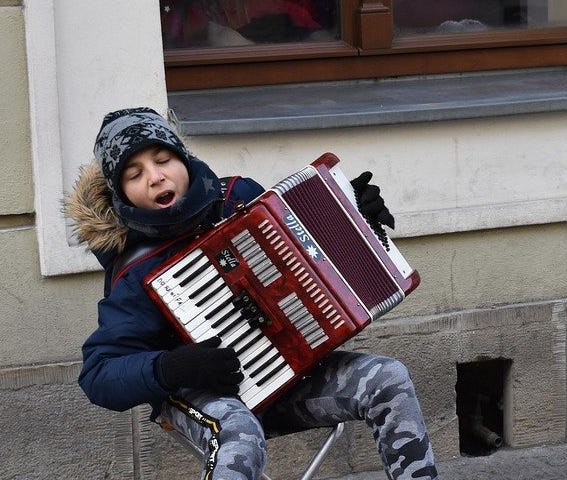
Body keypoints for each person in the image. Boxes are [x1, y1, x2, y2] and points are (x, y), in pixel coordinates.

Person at [66, 107, 438, 480]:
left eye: (163, 159)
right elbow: (98, 374)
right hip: (201, 395)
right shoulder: (134, 269)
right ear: (122, 194)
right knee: (240, 434)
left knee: (388, 377)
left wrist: (356, 221)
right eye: (135, 174)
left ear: (183, 158)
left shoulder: (238, 198)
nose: (155, 176)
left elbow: (310, 270)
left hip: (287, 377)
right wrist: (170, 366)